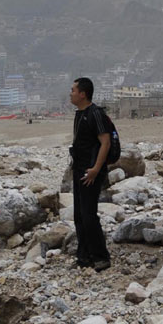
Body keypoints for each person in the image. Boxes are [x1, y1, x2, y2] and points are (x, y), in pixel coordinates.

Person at [69, 77, 112, 271]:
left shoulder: (95, 114)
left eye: (73, 90)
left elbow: (106, 142)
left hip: (91, 172)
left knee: (89, 215)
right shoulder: (80, 114)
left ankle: (101, 257)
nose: (70, 93)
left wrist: (95, 169)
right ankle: (84, 256)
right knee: (79, 215)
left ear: (83, 94)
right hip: (79, 170)